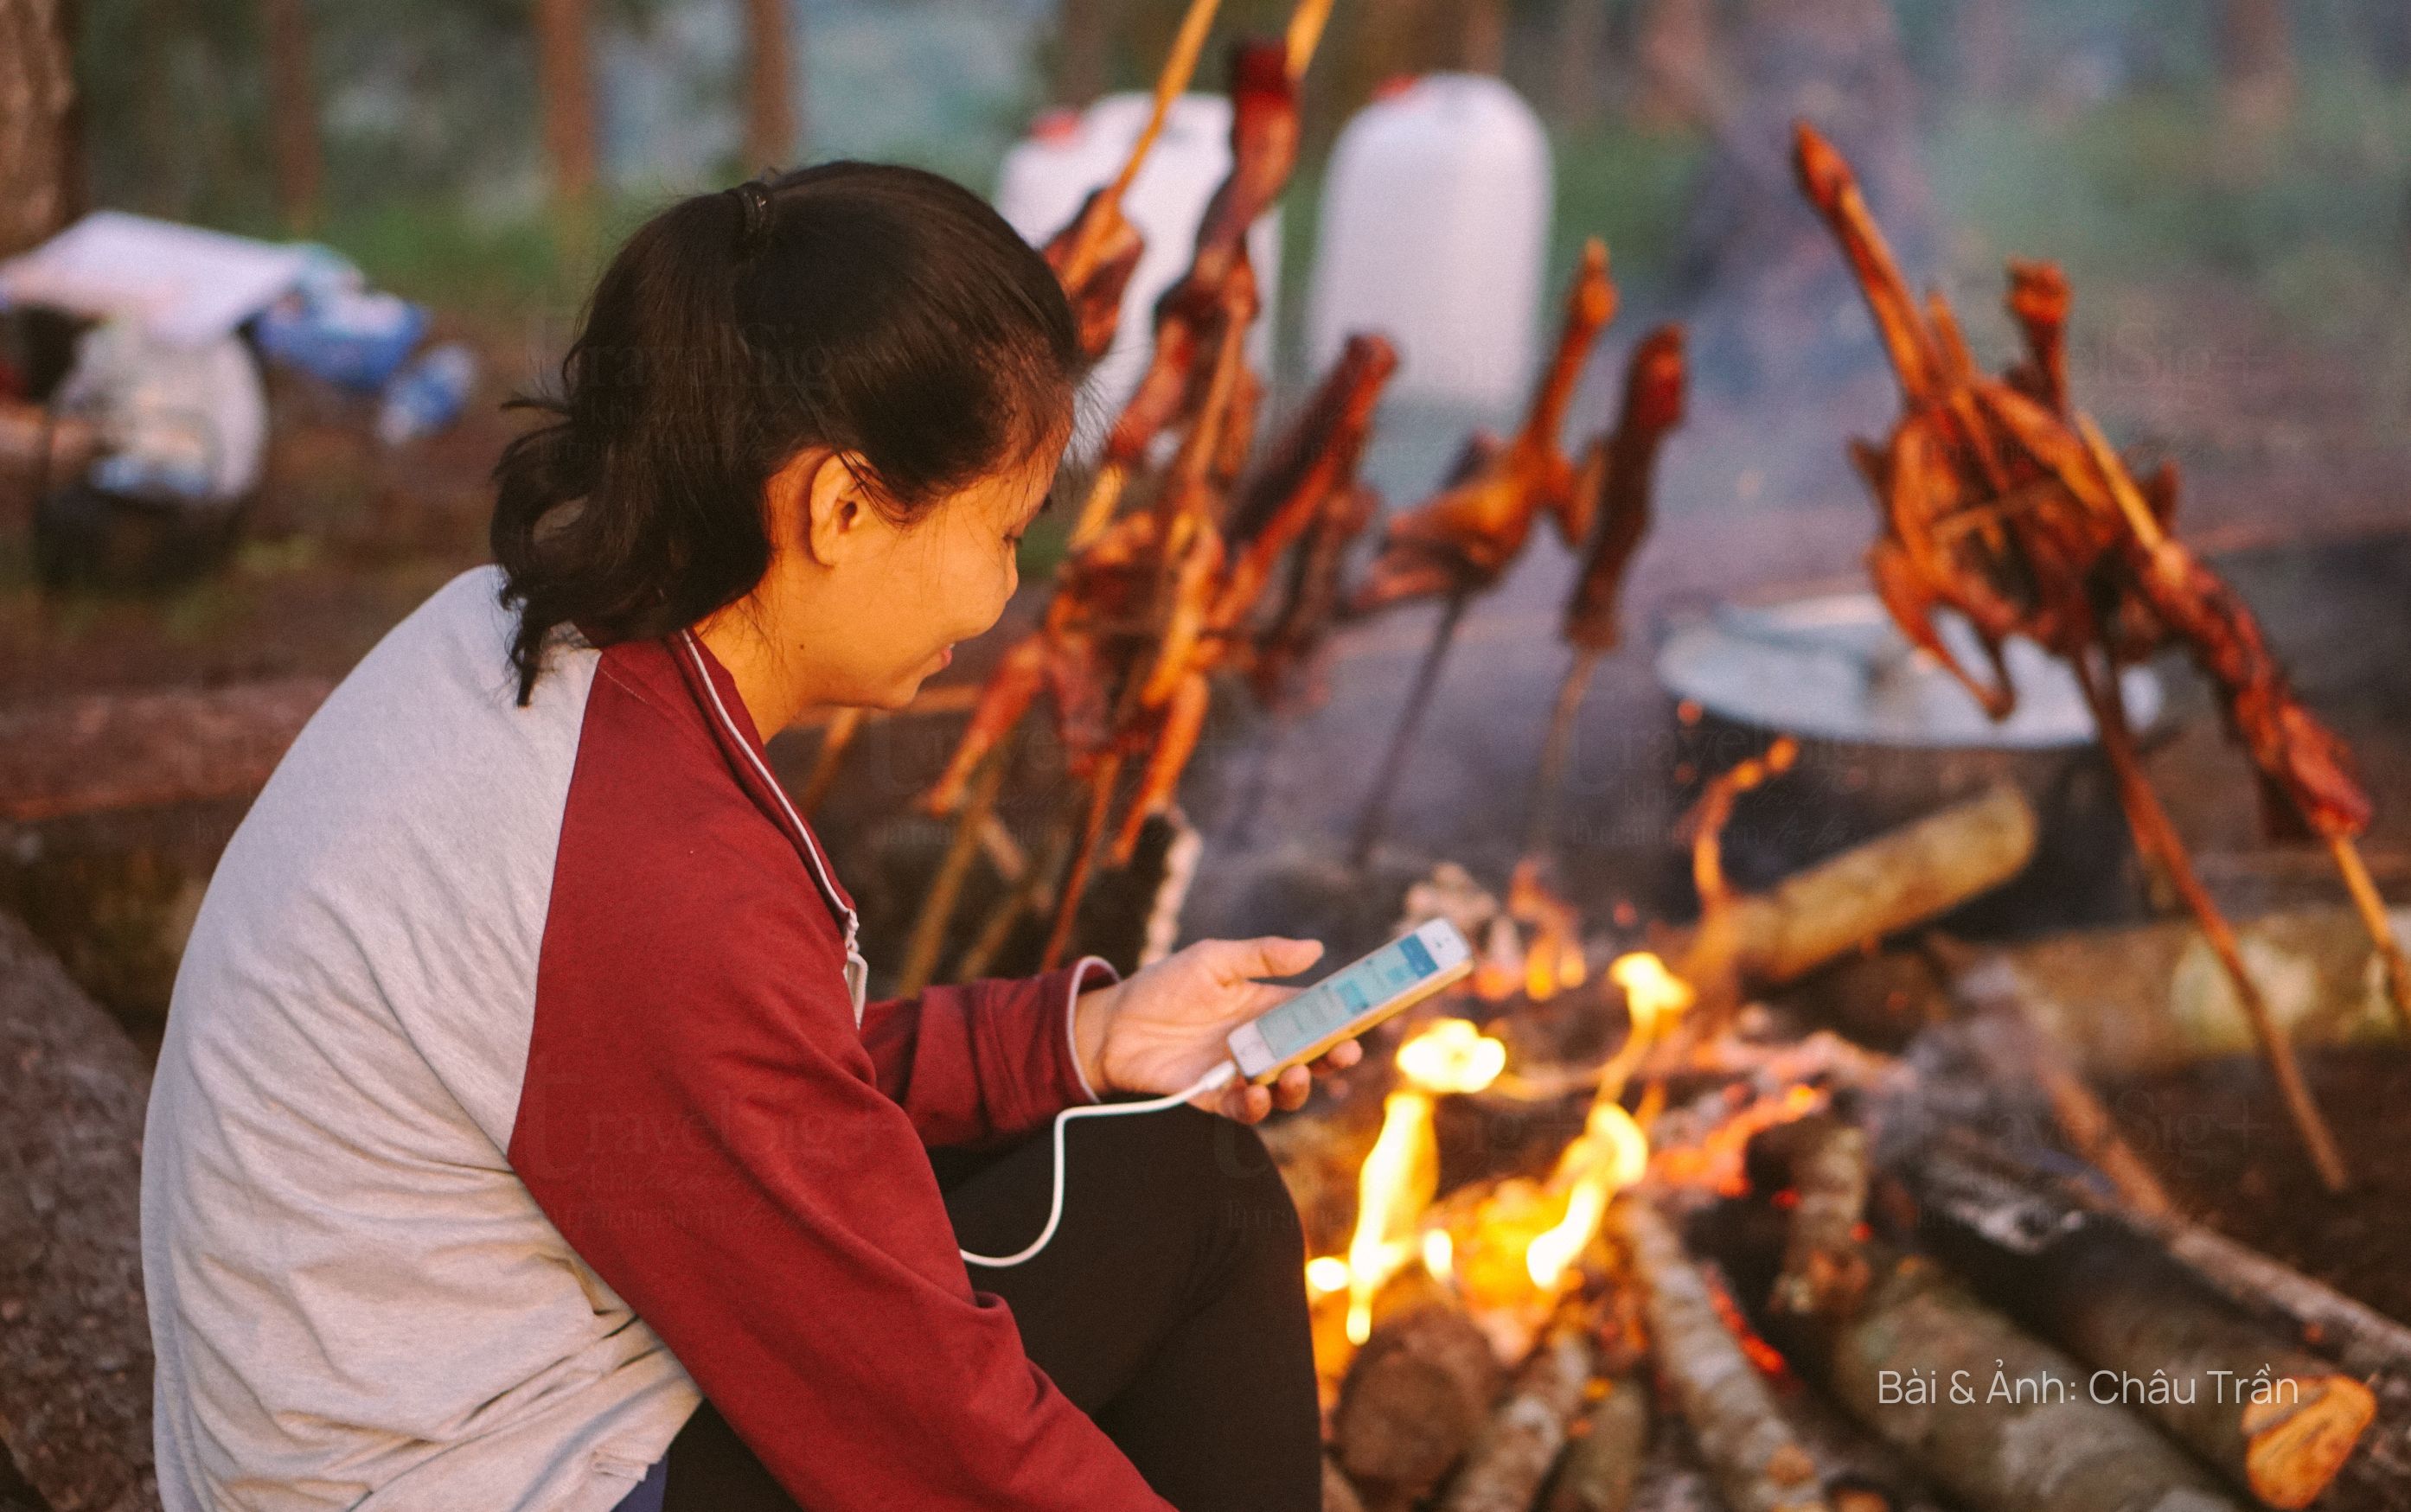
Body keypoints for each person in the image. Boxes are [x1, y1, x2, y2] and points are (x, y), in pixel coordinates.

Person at [140, 163, 1361, 1512]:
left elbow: (731, 1098)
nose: (1009, 591)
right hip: (488, 1473)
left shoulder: (521, 636)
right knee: (1200, 1203)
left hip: (432, 1414)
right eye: (1003, 532)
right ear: (841, 507)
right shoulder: (651, 868)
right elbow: (916, 1421)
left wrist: (1079, 1043)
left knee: (1160, 1162)